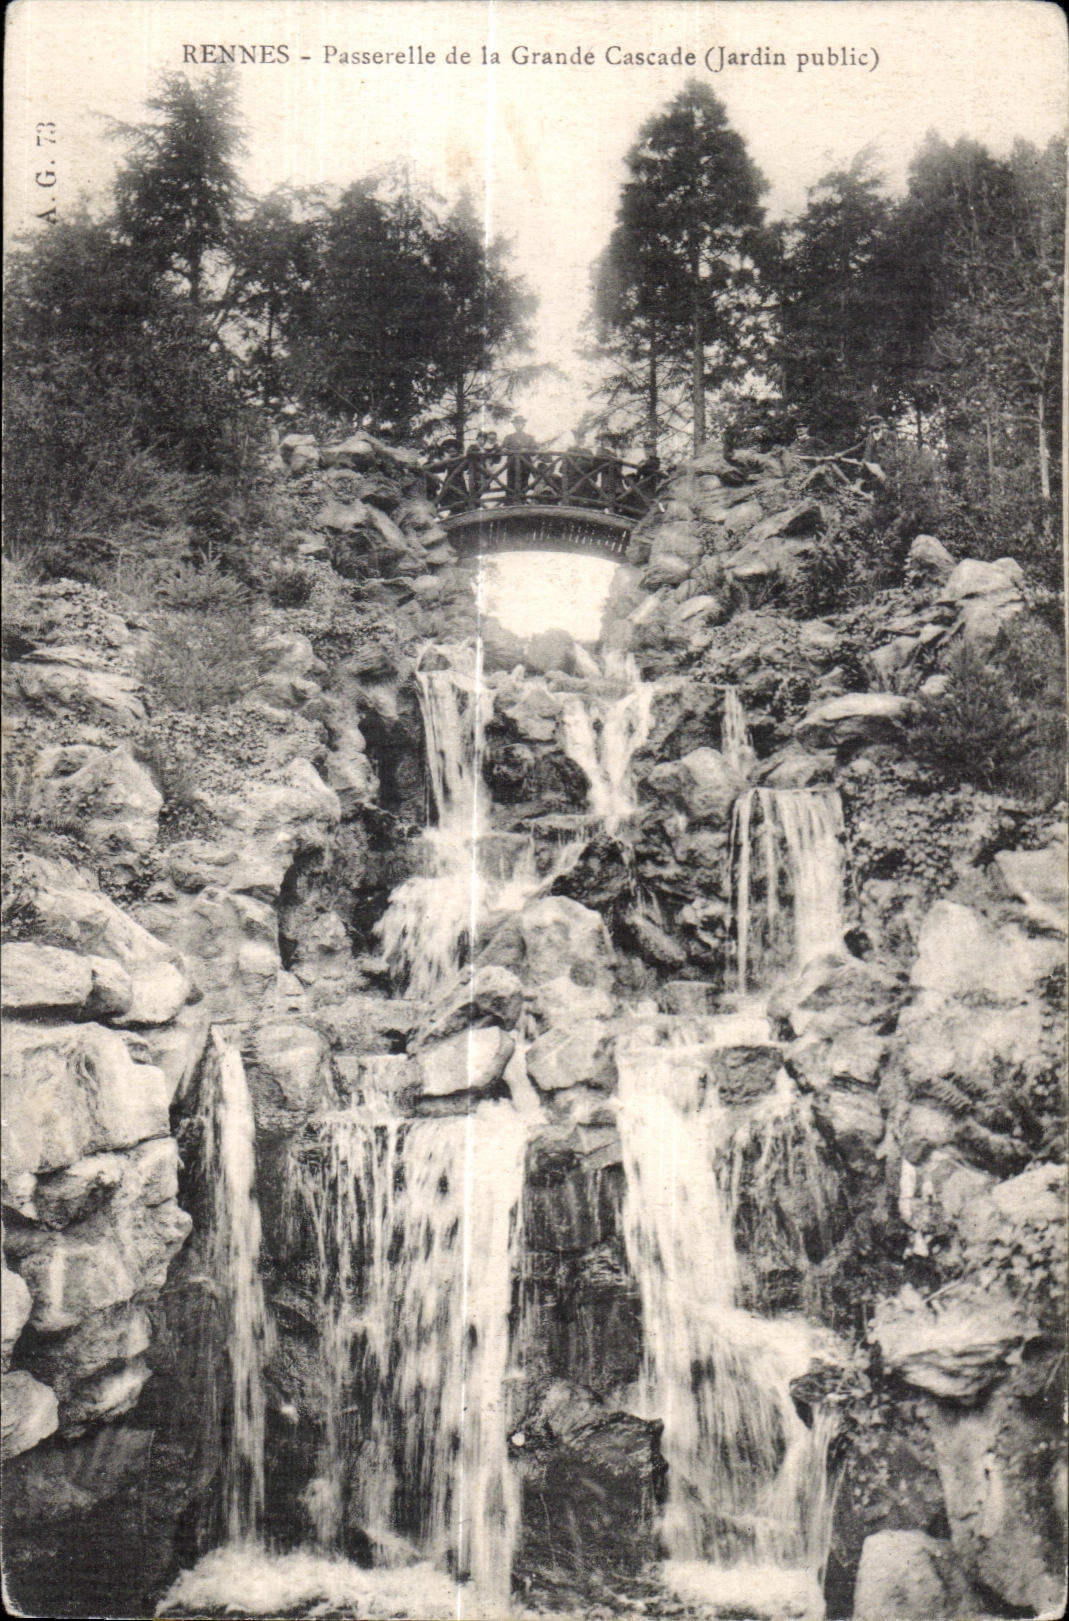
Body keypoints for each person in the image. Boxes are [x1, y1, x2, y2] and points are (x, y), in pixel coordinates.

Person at [501, 414, 538, 501]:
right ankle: (509, 505)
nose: (519, 425)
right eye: (517, 423)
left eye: (521, 423)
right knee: (510, 485)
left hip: (525, 465)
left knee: (524, 485)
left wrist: (527, 450)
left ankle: (522, 503)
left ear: (524, 425)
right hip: (512, 465)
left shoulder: (529, 438)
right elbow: (502, 448)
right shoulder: (509, 437)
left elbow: (535, 450)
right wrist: (504, 450)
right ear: (514, 425)